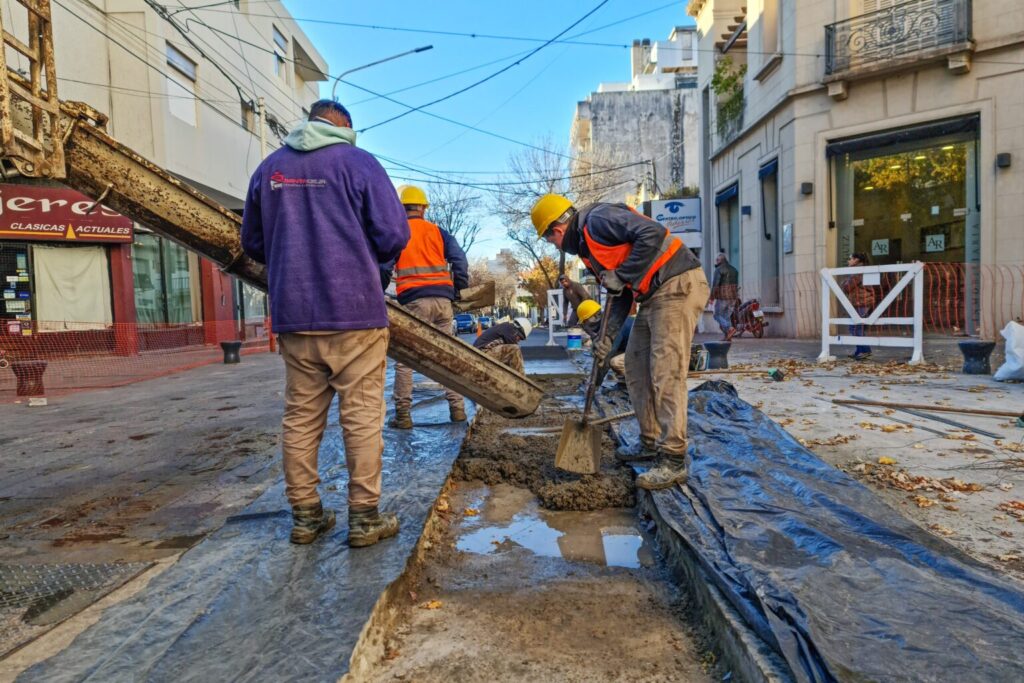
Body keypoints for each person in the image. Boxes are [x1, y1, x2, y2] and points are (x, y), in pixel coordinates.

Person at [242, 100, 409, 547]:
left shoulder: (269, 169)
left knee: (300, 418)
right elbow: (394, 234)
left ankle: (306, 516)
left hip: (295, 315)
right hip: (355, 313)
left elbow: (252, 242)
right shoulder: (359, 163)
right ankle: (364, 518)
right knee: (362, 417)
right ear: (345, 126)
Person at [531, 194, 709, 490]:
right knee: (635, 368)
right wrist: (608, 338)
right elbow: (620, 295)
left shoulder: (598, 220)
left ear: (557, 230)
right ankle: (650, 441)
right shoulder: (589, 250)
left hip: (676, 283)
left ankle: (673, 458)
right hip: (650, 295)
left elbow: (652, 233)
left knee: (665, 372)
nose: (554, 245)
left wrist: (622, 274)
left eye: (550, 240)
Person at [388, 185, 469, 429]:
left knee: (406, 359)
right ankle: (457, 410)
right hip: (443, 302)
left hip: (414, 303)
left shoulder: (397, 233)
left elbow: (384, 266)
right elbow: (459, 259)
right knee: (447, 355)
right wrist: (458, 288)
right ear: (423, 208)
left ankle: (403, 415)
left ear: (401, 209)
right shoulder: (438, 232)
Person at [576, 299, 632, 383]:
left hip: (645, 354)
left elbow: (606, 357)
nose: (585, 325)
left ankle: (637, 384)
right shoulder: (605, 323)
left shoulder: (612, 325)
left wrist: (595, 383)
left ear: (596, 316)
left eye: (585, 321)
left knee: (615, 362)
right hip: (634, 350)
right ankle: (625, 381)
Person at [842, 252, 876, 360]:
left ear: (856, 260)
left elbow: (847, 287)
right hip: (860, 302)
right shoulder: (858, 270)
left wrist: (845, 283)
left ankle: (865, 350)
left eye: (850, 258)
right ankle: (860, 351)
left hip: (861, 302)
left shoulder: (858, 271)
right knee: (856, 327)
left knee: (856, 327)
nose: (848, 261)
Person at [710, 251, 739, 341]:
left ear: (720, 260)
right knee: (726, 317)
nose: (716, 261)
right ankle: (728, 337)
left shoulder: (718, 270)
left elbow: (715, 285)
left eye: (717, 260)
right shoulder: (734, 270)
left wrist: (712, 297)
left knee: (717, 315)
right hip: (733, 297)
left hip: (723, 297)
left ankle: (730, 329)